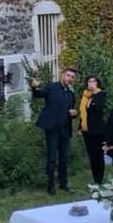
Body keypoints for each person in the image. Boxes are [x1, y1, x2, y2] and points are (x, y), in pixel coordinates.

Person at [31, 67, 78, 195]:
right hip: (52, 129)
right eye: (68, 75)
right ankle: (50, 186)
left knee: (64, 158)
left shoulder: (71, 93)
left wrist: (74, 114)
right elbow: (38, 94)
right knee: (52, 158)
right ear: (62, 75)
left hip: (65, 130)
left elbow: (72, 111)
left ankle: (63, 183)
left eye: (72, 77)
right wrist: (35, 87)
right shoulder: (51, 87)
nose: (70, 79)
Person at [79, 75, 107, 185]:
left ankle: (99, 180)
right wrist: (80, 128)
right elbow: (83, 113)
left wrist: (95, 93)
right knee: (92, 156)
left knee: (98, 156)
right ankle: (95, 179)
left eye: (94, 81)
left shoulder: (101, 94)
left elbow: (98, 108)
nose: (91, 83)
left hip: (98, 130)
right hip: (87, 131)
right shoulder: (85, 96)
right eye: (89, 81)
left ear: (97, 83)